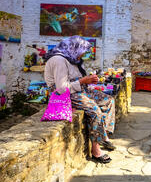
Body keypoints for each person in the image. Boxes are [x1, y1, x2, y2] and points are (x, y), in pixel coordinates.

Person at [44, 36, 116, 164]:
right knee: (95, 111)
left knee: (108, 100)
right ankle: (95, 149)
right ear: (74, 48)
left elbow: (77, 79)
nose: (83, 53)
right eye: (83, 50)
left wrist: (88, 80)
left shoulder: (71, 59)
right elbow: (61, 89)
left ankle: (103, 137)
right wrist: (83, 81)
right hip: (65, 95)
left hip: (78, 90)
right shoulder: (59, 60)